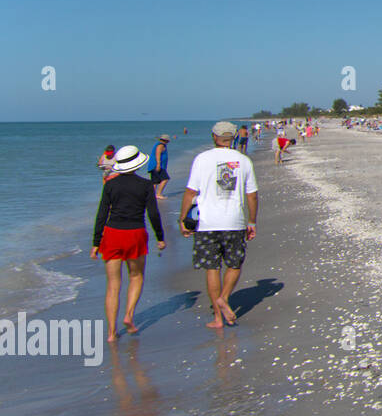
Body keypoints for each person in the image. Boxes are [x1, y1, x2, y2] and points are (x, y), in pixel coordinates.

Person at [179, 122, 259, 330]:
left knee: (212, 268)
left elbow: (190, 192)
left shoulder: (201, 159)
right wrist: (252, 221)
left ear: (214, 137)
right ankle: (224, 298)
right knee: (234, 264)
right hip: (234, 221)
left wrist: (182, 220)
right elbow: (252, 195)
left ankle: (217, 317)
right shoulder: (244, 160)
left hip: (206, 223)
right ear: (233, 138)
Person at [91, 145, 167, 342]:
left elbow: (101, 214)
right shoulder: (145, 185)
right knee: (136, 276)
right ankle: (129, 315)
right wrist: (160, 237)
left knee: (113, 286)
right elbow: (152, 214)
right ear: (137, 163)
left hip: (112, 234)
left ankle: (110, 333)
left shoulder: (109, 184)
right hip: (135, 234)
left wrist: (96, 242)